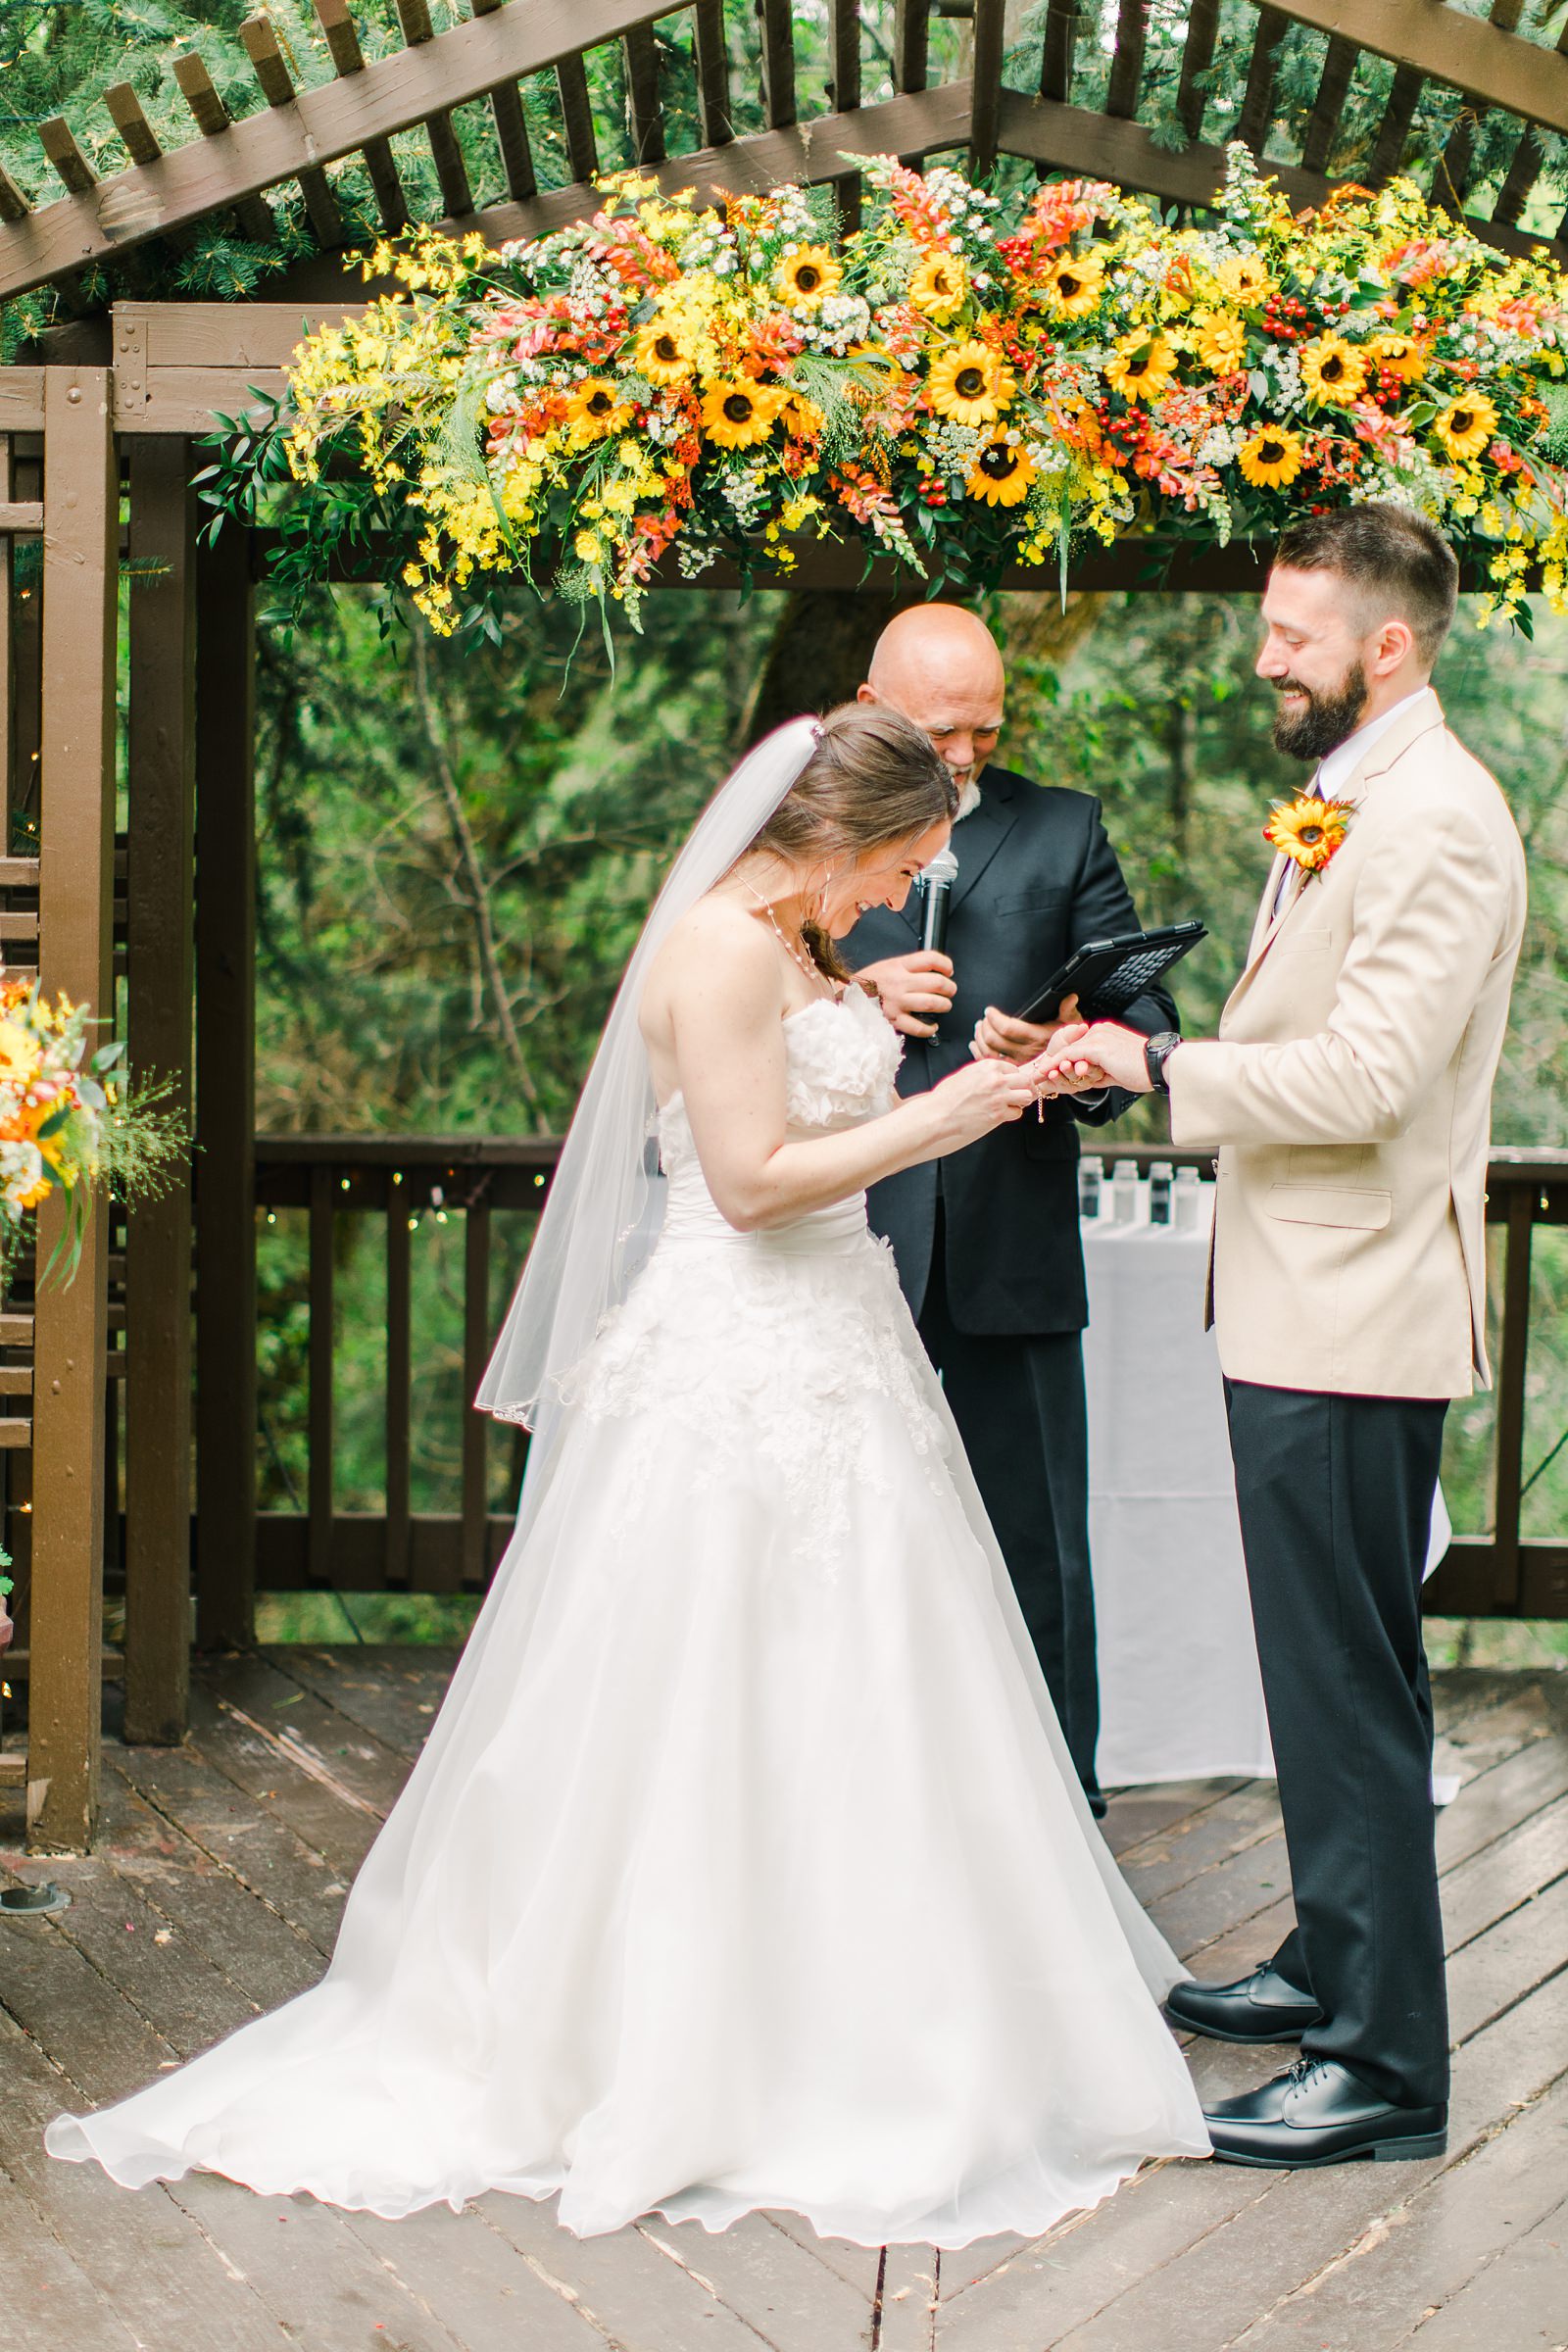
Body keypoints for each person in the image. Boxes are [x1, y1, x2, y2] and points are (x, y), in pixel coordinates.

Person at [46, 705, 1207, 2244]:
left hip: (843, 1347)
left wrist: (881, 1019)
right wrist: (947, 1114)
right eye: (900, 867)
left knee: (874, 1683)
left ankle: (884, 2009)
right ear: (834, 836)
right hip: (739, 1351)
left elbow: (802, 1080)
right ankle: (684, 2043)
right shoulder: (726, 949)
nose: (893, 899)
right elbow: (743, 1183)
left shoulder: (793, 939)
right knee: (700, 1686)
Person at [1042, 506, 1526, 2169]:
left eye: (1292, 635)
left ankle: (1386, 2072)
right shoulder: (1354, 797)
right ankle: (1338, 1961)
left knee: (1342, 1690)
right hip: (1310, 1302)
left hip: (1356, 1312)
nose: (1266, 658)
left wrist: (1153, 1072)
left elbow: (1366, 1081)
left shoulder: (1438, 820)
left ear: (1385, 646)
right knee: (1323, 1676)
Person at [846, 605, 1177, 1814]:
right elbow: (733, 974)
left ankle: (1056, 1810)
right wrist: (853, 989)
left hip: (1007, 1253)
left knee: (1035, 1547)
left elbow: (1146, 1028)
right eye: (943, 731)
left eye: (987, 728)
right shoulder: (803, 831)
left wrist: (1063, 1040)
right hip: (839, 1246)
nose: (970, 754)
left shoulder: (1063, 831)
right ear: (872, 705)